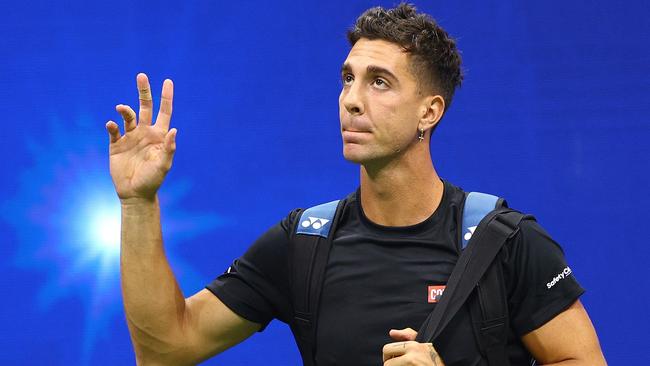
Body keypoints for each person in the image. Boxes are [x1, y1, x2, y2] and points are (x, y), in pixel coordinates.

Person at [105, 4, 606, 365]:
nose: (351, 99)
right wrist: (138, 202)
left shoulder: (509, 244)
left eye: (379, 82)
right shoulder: (303, 243)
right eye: (348, 78)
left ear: (429, 112)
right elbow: (166, 348)